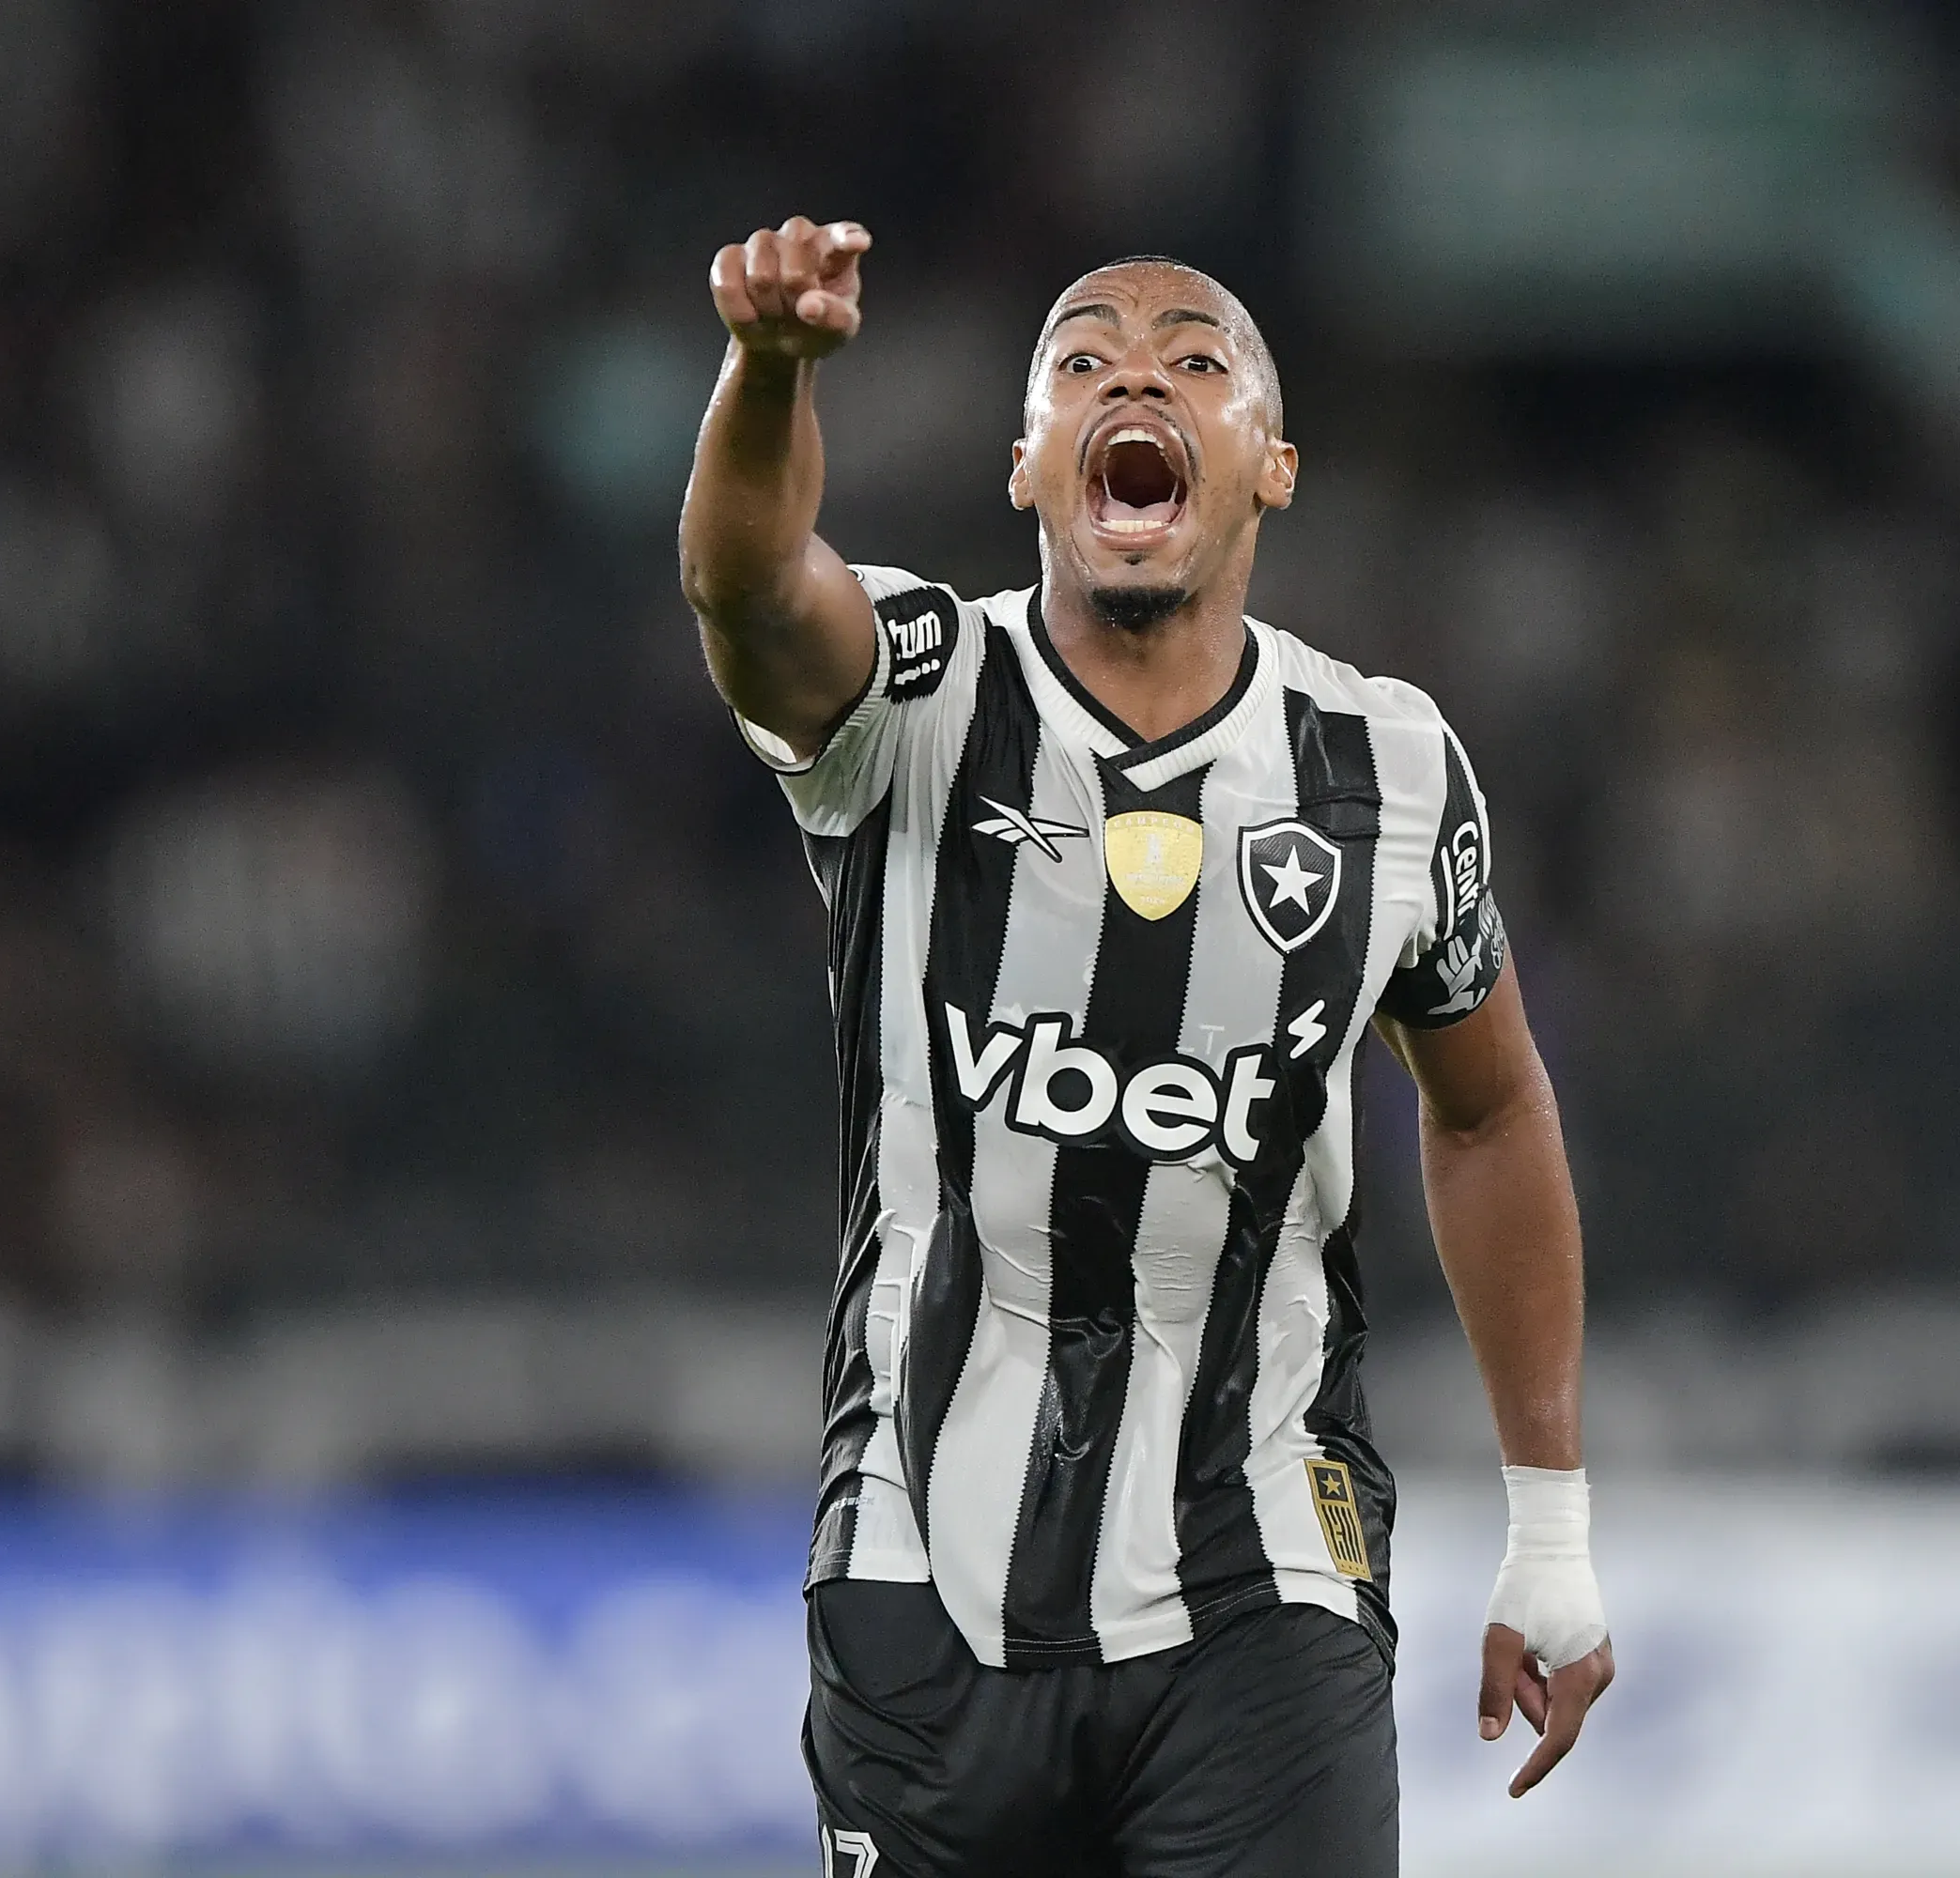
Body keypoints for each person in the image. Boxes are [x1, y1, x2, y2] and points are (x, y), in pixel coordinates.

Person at [678, 217, 1614, 1877]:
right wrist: (768, 373)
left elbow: (1488, 1113)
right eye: (1084, 363)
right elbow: (749, 588)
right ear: (1028, 465)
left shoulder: (1389, 772)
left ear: (1272, 467)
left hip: (1266, 1582)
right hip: (923, 1580)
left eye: (1196, 363)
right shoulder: (922, 696)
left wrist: (1551, 1526)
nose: (1138, 380)